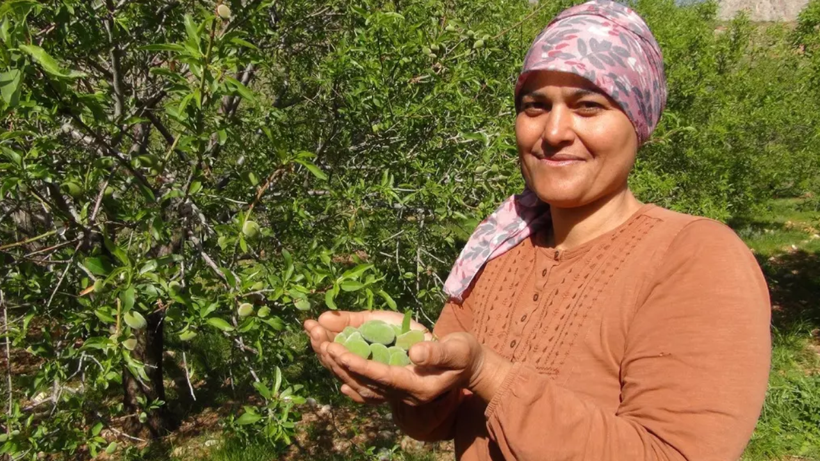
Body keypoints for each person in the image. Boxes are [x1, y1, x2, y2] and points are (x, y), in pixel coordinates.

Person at [304, 1, 771, 459]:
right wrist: (413, 368)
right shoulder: (498, 248)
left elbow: (672, 453)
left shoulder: (695, 257)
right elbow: (440, 423)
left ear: (638, 122)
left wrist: (487, 372)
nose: (553, 132)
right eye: (535, 106)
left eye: (588, 106)